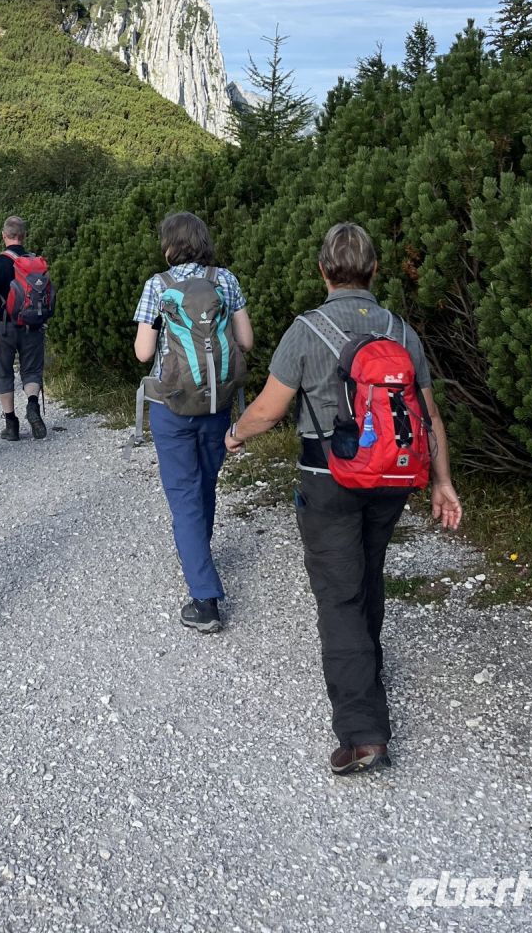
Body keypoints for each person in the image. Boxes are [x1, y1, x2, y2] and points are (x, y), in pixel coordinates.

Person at [226, 221, 463, 776]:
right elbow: (429, 418)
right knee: (368, 576)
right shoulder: (402, 332)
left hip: (328, 481)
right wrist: (442, 482)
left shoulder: (307, 330)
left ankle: (362, 734)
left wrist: (234, 436)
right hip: (392, 482)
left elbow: (269, 410)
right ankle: (367, 678)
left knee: (339, 597)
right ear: (375, 270)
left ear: (323, 271)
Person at [133, 212, 253, 633]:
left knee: (183, 493)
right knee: (204, 483)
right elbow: (246, 341)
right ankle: (198, 551)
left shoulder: (157, 286)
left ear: (169, 245)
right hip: (216, 403)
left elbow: (143, 354)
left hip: (173, 405)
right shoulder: (226, 281)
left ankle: (204, 598)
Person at [0, 216, 52, 441]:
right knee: (31, 370)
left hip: (6, 325)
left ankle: (11, 424)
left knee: (3, 371)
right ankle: (32, 405)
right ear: (24, 236)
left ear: (4, 236)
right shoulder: (35, 262)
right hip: (32, 325)